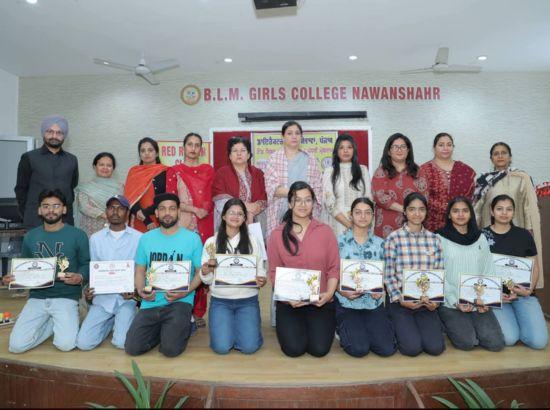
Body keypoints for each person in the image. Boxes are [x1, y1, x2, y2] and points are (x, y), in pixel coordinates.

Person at [2, 189, 89, 353]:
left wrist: (80, 276)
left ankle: (70, 315)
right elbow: (25, 266)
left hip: (66, 296)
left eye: (56, 206)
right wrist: (12, 279)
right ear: (39, 210)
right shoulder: (31, 236)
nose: (51, 210)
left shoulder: (78, 235)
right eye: (46, 206)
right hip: (38, 297)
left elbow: (86, 264)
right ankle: (51, 322)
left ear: (64, 209)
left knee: (65, 345)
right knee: (16, 346)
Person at [124, 193, 203, 357]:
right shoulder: (146, 239)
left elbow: (200, 272)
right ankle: (166, 330)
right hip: (151, 302)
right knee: (132, 348)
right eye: (162, 209)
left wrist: (185, 292)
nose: (167, 213)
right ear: (157, 213)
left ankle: (181, 326)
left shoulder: (193, 239)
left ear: (178, 212)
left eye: (172, 209)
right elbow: (140, 270)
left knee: (170, 350)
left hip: (180, 301)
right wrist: (141, 290)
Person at [267, 181, 339, 357]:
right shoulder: (277, 235)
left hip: (320, 301)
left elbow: (334, 268)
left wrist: (329, 294)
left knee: (319, 350)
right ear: (290, 204)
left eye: (307, 200)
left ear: (313, 203)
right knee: (294, 349)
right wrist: (287, 298)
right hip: (289, 303)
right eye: (297, 200)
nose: (302, 204)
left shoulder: (326, 232)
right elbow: (274, 272)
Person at [436, 196, 505, 351]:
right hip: (451, 302)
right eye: (456, 211)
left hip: (478, 301)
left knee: (496, 344)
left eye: (465, 211)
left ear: (471, 214)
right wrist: (455, 301)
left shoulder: (480, 238)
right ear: (449, 215)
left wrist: (487, 300)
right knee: (467, 342)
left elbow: (488, 269)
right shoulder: (439, 238)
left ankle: (470, 323)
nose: (460, 215)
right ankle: (444, 322)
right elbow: (438, 273)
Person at [200, 198, 266, 354]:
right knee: (221, 348)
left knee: (249, 348)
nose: (235, 216)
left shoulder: (253, 241)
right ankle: (234, 330)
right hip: (220, 301)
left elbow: (261, 270)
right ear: (223, 216)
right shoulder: (211, 242)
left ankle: (244, 331)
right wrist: (206, 271)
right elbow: (207, 280)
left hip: (247, 300)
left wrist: (260, 279)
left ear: (244, 218)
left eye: (240, 214)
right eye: (231, 213)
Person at [482, 194, 548, 349]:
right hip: (498, 297)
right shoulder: (482, 236)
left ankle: (524, 326)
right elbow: (478, 269)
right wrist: (493, 294)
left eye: (509, 209)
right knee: (509, 338)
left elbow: (534, 266)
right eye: (499, 209)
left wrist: (529, 290)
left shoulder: (524, 235)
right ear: (492, 211)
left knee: (539, 342)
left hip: (522, 295)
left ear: (514, 212)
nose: (504, 213)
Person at [76, 195, 141, 350]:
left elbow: (142, 271)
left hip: (127, 300)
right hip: (103, 299)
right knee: (83, 344)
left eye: (120, 208)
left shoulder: (139, 238)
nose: (115, 212)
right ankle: (110, 322)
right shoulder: (95, 239)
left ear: (128, 213)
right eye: (111, 208)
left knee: (121, 343)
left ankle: (121, 320)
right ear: (106, 211)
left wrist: (135, 292)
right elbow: (95, 270)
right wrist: (90, 292)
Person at [474, 142, 543, 287]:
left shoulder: (522, 178)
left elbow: (528, 206)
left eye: (504, 153)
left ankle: (520, 290)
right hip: (490, 231)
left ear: (510, 157)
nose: (500, 156)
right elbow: (477, 209)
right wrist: (475, 231)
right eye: (496, 153)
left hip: (517, 230)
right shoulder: (483, 180)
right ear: (491, 158)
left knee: (517, 269)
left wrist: (529, 229)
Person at [384, 192, 445, 356]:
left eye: (421, 209)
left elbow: (439, 273)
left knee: (435, 348)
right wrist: (400, 298)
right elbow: (388, 275)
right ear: (405, 212)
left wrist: (435, 301)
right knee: (412, 349)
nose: (417, 214)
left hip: (426, 302)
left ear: (426, 212)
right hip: (401, 301)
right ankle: (395, 326)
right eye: (412, 209)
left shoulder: (435, 240)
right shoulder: (393, 238)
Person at [335, 197, 396, 358]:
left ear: (373, 216)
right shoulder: (338, 243)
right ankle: (343, 328)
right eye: (358, 212)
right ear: (351, 215)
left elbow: (386, 274)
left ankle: (365, 331)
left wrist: (381, 288)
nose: (363, 217)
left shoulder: (381, 244)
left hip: (372, 303)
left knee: (387, 349)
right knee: (359, 349)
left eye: (367, 213)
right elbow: (331, 273)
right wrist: (341, 290)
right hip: (347, 302)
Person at [166, 132, 215, 324]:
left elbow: (212, 196)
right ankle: (180, 307)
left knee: (201, 266)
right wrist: (195, 209)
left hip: (204, 223)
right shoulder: (174, 171)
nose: (193, 148)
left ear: (201, 149)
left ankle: (198, 311)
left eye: (197, 145)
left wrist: (204, 209)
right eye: (190, 144)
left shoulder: (208, 170)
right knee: (182, 265)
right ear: (184, 147)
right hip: (183, 224)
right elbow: (171, 200)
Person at [15, 115, 79, 228]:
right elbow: (21, 189)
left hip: (64, 221)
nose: (54, 136)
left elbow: (71, 187)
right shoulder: (29, 157)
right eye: (50, 131)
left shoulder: (72, 160)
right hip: (35, 220)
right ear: (43, 133)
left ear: (64, 136)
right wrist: (28, 214)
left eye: (59, 133)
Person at [264, 121, 323, 237]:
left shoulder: (310, 159)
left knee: (307, 244)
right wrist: (299, 195)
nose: (294, 136)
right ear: (283, 136)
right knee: (279, 244)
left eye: (297, 133)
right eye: (289, 133)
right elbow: (272, 189)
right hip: (280, 213)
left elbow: (317, 189)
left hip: (306, 213)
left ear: (301, 136)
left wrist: (300, 198)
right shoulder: (274, 159)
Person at [372, 133, 427, 238]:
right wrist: (405, 209)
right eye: (395, 147)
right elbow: (379, 196)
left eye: (403, 147)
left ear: (408, 150)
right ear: (389, 151)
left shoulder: (418, 171)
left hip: (413, 222)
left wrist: (411, 211)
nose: (399, 150)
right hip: (386, 225)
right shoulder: (381, 172)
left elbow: (424, 197)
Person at [420, 133, 476, 232]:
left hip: (460, 221)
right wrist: (446, 207)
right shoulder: (424, 170)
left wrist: (456, 210)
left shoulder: (465, 170)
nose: (445, 148)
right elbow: (421, 198)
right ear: (434, 148)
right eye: (441, 145)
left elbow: (471, 197)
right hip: (432, 223)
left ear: (453, 147)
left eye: (449, 145)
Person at [322, 134, 372, 237]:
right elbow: (329, 202)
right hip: (338, 221)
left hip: (362, 220)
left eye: (349, 147)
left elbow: (368, 198)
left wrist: (361, 222)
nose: (345, 151)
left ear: (354, 150)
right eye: (341, 148)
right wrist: (350, 225)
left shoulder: (363, 170)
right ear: (336, 151)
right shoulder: (329, 172)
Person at [212, 136, 267, 228]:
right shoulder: (222, 173)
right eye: (235, 151)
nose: (239, 154)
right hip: (229, 222)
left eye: (243, 150)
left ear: (248, 155)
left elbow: (265, 197)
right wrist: (244, 206)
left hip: (254, 221)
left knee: (253, 237)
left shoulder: (258, 173)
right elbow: (220, 200)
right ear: (230, 156)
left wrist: (255, 208)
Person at [124, 137, 168, 233]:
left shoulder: (165, 171)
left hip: (160, 217)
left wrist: (146, 213)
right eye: (143, 151)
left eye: (150, 150)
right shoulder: (134, 172)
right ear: (139, 154)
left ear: (157, 153)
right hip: (138, 219)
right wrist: (146, 220)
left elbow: (165, 197)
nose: (146, 153)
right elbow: (130, 198)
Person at [74, 152, 123, 237]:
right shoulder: (85, 188)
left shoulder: (120, 188)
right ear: (94, 167)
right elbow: (84, 207)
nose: (105, 168)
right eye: (101, 165)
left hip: (113, 229)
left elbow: (123, 207)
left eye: (109, 165)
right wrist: (104, 215)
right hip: (90, 229)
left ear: (113, 168)